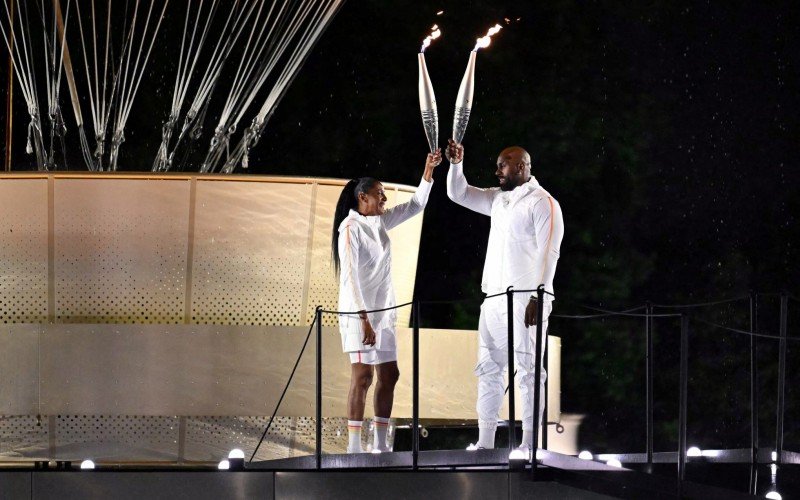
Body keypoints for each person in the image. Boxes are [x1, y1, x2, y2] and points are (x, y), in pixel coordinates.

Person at [445, 139, 564, 456]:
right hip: (493, 298)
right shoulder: (498, 199)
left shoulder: (543, 202)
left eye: (503, 164)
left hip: (527, 299)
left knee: (528, 371)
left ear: (522, 166)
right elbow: (457, 193)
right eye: (497, 164)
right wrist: (456, 164)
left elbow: (549, 252)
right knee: (489, 370)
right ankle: (485, 442)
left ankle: (529, 444)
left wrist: (539, 296)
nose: (497, 170)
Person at [332, 149, 441, 453]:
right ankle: (354, 447)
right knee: (363, 376)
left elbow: (416, 205)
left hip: (384, 312)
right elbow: (350, 278)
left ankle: (380, 445)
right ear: (362, 197)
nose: (385, 199)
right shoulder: (350, 229)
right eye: (379, 194)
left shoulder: (379, 222)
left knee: (390, 374)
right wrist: (363, 318)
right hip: (359, 314)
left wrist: (428, 169)